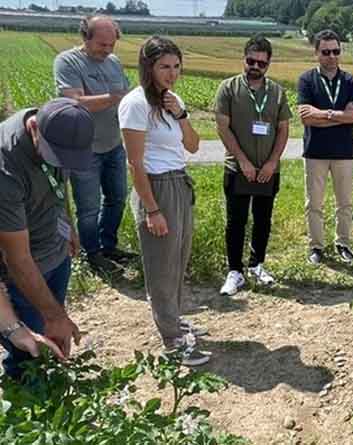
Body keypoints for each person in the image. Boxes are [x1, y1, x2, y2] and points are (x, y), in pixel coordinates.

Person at [119, 36, 208, 366]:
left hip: (179, 183)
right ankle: (171, 339)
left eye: (176, 66)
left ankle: (175, 320)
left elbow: (195, 145)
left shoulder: (172, 100)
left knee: (178, 260)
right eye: (163, 67)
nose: (171, 74)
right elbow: (135, 163)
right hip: (155, 187)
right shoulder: (135, 103)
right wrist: (152, 209)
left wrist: (181, 113)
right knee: (161, 265)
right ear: (148, 67)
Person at [0, 97, 91, 378]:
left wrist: (69, 225)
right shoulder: (6, 167)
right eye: (55, 154)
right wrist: (54, 316)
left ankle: (53, 384)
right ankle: (31, 410)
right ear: (34, 127)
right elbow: (18, 258)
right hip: (24, 272)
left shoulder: (60, 133)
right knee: (28, 351)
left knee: (52, 333)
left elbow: (59, 183)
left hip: (55, 252)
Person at [53, 15, 135, 273]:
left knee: (117, 198)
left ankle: (108, 245)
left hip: (113, 143)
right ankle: (93, 254)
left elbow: (127, 98)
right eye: (102, 44)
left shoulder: (113, 62)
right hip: (83, 149)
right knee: (89, 207)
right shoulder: (68, 61)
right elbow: (75, 102)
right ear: (85, 38)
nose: (108, 50)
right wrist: (115, 97)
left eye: (112, 44)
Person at [215, 34, 291, 295]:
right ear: (244, 59)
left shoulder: (277, 92)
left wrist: (272, 162)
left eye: (261, 63)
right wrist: (243, 161)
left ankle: (258, 265)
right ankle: (235, 271)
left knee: (263, 219)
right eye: (251, 61)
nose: (255, 67)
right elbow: (223, 128)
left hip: (268, 169)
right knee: (236, 221)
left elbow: (283, 130)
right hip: (238, 168)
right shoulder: (228, 88)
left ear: (268, 64)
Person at [297, 30, 353, 265]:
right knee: (314, 203)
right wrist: (340, 115)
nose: (332, 56)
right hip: (315, 152)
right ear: (316, 53)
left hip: (344, 152)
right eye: (326, 52)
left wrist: (324, 114)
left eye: (336, 51)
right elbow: (306, 118)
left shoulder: (350, 81)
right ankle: (316, 246)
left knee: (344, 203)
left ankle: (343, 243)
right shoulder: (306, 80)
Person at [1, 282, 66, 363]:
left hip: (52, 271)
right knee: (27, 353)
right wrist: (14, 328)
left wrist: (59, 316)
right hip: (14, 282)